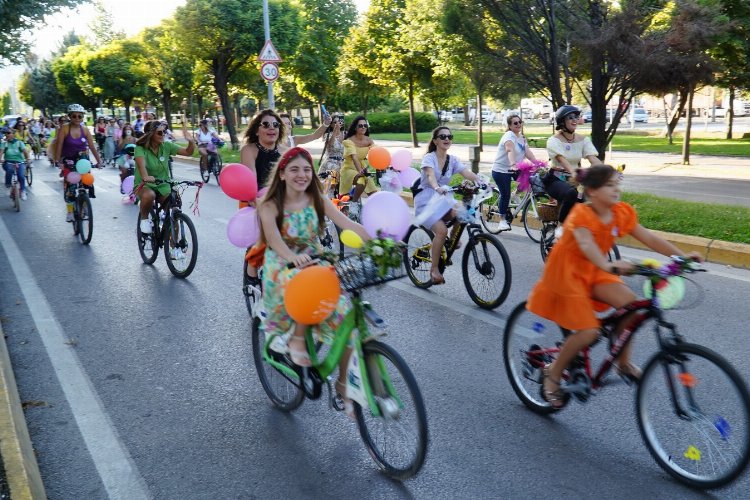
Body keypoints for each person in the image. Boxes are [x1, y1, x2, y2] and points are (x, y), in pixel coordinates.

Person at [527, 165, 703, 409]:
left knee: (630, 306)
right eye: (609, 185)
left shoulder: (620, 213)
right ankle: (553, 374)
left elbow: (650, 238)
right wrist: (608, 265)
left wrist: (682, 258)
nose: (616, 189)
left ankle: (623, 363)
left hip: (595, 270)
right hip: (567, 274)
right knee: (588, 332)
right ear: (593, 191)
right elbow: (587, 244)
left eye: (617, 184)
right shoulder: (581, 215)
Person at [257, 146, 370, 415]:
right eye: (294, 169)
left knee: (347, 322)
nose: (302, 174)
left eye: (307, 169)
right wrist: (292, 258)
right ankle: (296, 339)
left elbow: (347, 224)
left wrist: (380, 240)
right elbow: (273, 241)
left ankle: (344, 386)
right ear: (282, 174)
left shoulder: (317, 198)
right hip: (282, 265)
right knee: (302, 283)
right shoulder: (270, 204)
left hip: (314, 262)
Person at [413, 126, 483, 285]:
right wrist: (437, 187)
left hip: (443, 199)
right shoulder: (429, 158)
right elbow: (430, 176)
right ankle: (434, 269)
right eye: (442, 136)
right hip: (427, 201)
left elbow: (467, 173)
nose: (447, 139)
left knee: (465, 212)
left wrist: (483, 182)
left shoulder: (452, 160)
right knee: (441, 231)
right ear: (435, 140)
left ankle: (451, 240)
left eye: (449, 136)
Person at [240, 110, 288, 286]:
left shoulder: (285, 151)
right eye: (266, 124)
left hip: (281, 200)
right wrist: (258, 200)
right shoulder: (249, 150)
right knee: (262, 234)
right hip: (254, 198)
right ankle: (251, 273)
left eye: (276, 125)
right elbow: (251, 183)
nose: (271, 128)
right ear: (256, 130)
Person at [134, 120, 195, 236]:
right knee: (149, 195)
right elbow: (142, 168)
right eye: (159, 133)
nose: (163, 135)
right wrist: (146, 177)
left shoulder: (166, 146)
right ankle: (144, 219)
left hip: (163, 184)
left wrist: (191, 141)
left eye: (164, 132)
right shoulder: (140, 149)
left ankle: (175, 248)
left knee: (174, 209)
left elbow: (188, 152)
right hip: (145, 184)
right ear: (150, 134)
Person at [545, 105, 602, 224]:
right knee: (571, 193)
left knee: (593, 197)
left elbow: (593, 159)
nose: (574, 120)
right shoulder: (553, 140)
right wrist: (574, 172)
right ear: (561, 121)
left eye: (576, 117)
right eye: (570, 117)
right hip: (556, 179)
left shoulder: (583, 140)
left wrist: (607, 171)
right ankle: (561, 227)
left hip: (576, 180)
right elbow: (562, 160)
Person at [54, 104, 102, 222]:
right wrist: (58, 160)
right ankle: (70, 211)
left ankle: (85, 205)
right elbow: (59, 144)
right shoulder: (64, 128)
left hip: (83, 159)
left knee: (87, 182)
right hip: (68, 158)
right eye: (74, 116)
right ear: (70, 116)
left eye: (80, 116)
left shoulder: (85, 129)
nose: (77, 118)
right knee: (70, 185)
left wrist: (99, 161)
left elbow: (92, 146)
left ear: (82, 117)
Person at [491, 113, 539, 231]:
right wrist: (513, 164)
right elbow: (509, 149)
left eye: (520, 122)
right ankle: (502, 220)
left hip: (515, 169)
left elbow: (527, 152)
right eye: (515, 123)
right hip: (501, 170)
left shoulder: (521, 137)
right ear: (510, 126)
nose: (518, 124)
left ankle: (516, 193)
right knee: (505, 194)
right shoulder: (509, 135)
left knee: (529, 179)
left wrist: (537, 164)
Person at [339, 116, 378, 207]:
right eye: (360, 126)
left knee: (374, 194)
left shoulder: (369, 141)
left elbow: (377, 155)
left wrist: (385, 166)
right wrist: (360, 171)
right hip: (348, 168)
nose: (363, 127)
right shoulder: (349, 141)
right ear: (355, 128)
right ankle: (354, 204)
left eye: (365, 125)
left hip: (362, 167)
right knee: (361, 180)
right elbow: (354, 158)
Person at [318, 114, 346, 196]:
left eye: (339, 121)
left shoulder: (345, 134)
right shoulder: (328, 135)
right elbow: (330, 145)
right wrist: (335, 132)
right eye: (335, 122)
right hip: (330, 163)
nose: (337, 124)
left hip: (342, 164)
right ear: (330, 124)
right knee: (330, 188)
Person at [1, 127, 31, 200]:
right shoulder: (4, 143)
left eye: (8, 133)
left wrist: (28, 159)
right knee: (9, 170)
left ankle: (23, 191)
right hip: (8, 162)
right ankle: (8, 185)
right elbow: (1, 152)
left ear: (13, 134)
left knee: (21, 175)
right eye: (6, 133)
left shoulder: (19, 142)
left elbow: (25, 151)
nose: (6, 135)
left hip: (20, 162)